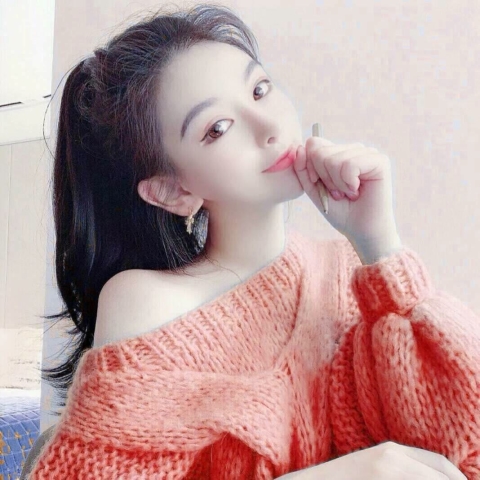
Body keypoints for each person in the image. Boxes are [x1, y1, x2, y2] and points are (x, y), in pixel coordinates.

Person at [24, 3, 479, 479]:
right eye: (217, 128)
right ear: (172, 190)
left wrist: (380, 244)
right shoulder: (149, 301)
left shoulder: (345, 272)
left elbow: (464, 441)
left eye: (260, 89)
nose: (268, 127)